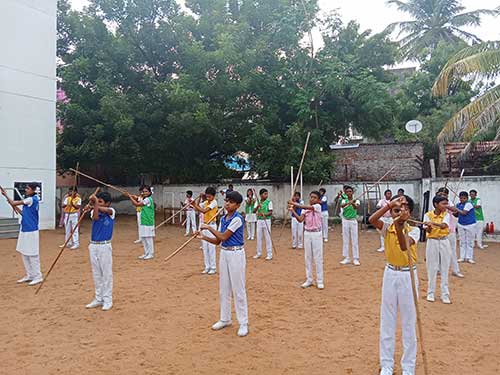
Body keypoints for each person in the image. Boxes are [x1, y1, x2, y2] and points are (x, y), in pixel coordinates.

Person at [369, 195, 420, 375]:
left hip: (408, 275)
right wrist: (389, 205)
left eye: (404, 207)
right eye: (397, 208)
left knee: (408, 322)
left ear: (410, 211)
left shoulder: (414, 230)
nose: (400, 210)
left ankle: (408, 367)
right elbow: (371, 219)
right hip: (390, 273)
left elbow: (405, 246)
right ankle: (387, 365)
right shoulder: (386, 228)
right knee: (387, 320)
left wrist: (400, 224)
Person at [199, 190, 249, 337]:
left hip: (236, 254)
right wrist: (203, 237)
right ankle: (225, 318)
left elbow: (224, 235)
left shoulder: (237, 219)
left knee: (238, 289)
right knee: (224, 288)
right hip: (225, 253)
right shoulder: (223, 219)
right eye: (226, 201)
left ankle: (243, 322)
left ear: (238, 205)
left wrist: (208, 227)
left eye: (231, 202)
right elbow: (218, 241)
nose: (227, 204)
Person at [1, 183, 43, 286]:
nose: (26, 190)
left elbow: (14, 203)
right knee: (24, 253)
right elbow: (23, 213)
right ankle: (30, 274)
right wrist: (12, 204)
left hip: (31, 230)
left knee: (33, 254)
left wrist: (6, 195)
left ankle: (38, 276)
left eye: (28, 188)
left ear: (33, 190)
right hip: (24, 229)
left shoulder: (32, 199)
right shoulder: (28, 201)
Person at [86, 191, 115, 311]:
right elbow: (96, 217)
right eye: (98, 201)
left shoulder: (112, 212)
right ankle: (99, 298)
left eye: (101, 202)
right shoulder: (94, 211)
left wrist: (95, 203)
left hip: (105, 246)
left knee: (106, 274)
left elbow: (106, 211)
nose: (99, 204)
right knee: (96, 274)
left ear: (108, 203)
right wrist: (93, 205)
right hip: (93, 246)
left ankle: (108, 299)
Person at [289, 191, 324, 289]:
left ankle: (320, 280)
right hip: (307, 233)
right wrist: (293, 211)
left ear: (318, 200)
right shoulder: (305, 210)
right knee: (308, 257)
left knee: (318, 257)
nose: (312, 199)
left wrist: (293, 203)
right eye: (311, 197)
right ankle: (309, 279)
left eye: (315, 197)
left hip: (317, 233)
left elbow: (304, 207)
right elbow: (300, 219)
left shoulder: (317, 207)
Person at [423, 195, 452, 304]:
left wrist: (433, 223)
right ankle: (430, 293)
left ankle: (445, 294)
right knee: (432, 267)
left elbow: (444, 226)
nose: (446, 206)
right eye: (443, 204)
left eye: (446, 203)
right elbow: (428, 231)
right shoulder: (427, 215)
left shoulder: (446, 215)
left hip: (444, 241)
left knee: (445, 267)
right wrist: (428, 226)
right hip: (432, 242)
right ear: (436, 204)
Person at [437, 187, 464, 278]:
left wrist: (447, 206)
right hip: (439, 231)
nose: (442, 196)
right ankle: (439, 269)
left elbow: (456, 212)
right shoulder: (436, 203)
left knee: (452, 251)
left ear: (447, 196)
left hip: (450, 231)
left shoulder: (450, 203)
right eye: (440, 194)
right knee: (439, 251)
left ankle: (455, 270)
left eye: (444, 195)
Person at [192, 187, 219, 274]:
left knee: (211, 248)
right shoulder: (206, 202)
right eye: (207, 196)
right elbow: (198, 207)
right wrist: (198, 199)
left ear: (213, 196)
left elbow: (203, 211)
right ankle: (207, 266)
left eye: (210, 197)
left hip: (212, 226)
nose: (208, 198)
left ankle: (213, 267)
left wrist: (195, 205)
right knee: (205, 247)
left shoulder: (214, 202)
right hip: (204, 226)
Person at [128, 185, 156, 260]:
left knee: (148, 238)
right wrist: (133, 197)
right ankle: (146, 252)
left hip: (148, 221)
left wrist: (130, 197)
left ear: (150, 192)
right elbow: (138, 199)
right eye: (143, 191)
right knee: (143, 237)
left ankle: (151, 253)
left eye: (146, 191)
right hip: (144, 220)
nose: (144, 192)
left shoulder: (148, 199)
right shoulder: (145, 199)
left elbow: (137, 204)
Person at [449, 191, 476, 264]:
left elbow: (464, 213)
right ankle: (462, 256)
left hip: (470, 224)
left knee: (469, 241)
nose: (462, 200)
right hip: (461, 224)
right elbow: (457, 215)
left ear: (467, 198)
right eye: (461, 198)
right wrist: (453, 212)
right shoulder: (458, 204)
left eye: (464, 198)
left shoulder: (469, 204)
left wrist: (455, 209)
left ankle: (469, 257)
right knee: (462, 241)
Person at [339, 186, 361, 266]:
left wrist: (353, 203)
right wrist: (349, 202)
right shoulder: (344, 199)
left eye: (350, 191)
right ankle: (346, 257)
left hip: (353, 221)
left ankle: (356, 258)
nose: (349, 193)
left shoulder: (357, 199)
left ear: (352, 192)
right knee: (345, 239)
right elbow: (342, 206)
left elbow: (356, 207)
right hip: (345, 220)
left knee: (355, 240)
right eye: (347, 191)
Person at [253, 188, 273, 260]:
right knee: (259, 237)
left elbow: (270, 212)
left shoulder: (269, 202)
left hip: (266, 220)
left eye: (267, 194)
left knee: (267, 237)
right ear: (261, 195)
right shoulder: (257, 202)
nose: (266, 195)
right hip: (259, 221)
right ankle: (259, 253)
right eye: (265, 194)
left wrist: (264, 214)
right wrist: (258, 206)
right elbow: (253, 211)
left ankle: (269, 254)